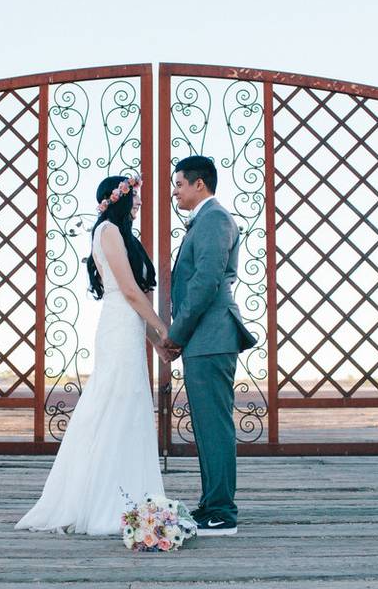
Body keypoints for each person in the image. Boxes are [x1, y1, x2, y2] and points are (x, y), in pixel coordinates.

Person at [14, 174, 167, 535]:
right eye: (136, 196)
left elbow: (140, 295)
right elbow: (129, 291)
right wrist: (162, 327)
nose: (140, 202)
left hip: (131, 330)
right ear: (118, 198)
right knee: (112, 405)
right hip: (116, 329)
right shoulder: (106, 232)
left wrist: (157, 342)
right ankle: (98, 499)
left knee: (130, 407)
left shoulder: (127, 237)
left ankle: (130, 494)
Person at [160, 155, 258, 537]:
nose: (175, 191)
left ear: (199, 184)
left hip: (212, 335)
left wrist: (176, 333)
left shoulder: (215, 219)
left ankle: (222, 513)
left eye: (179, 184)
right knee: (205, 425)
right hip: (205, 338)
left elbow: (206, 281)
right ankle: (211, 505)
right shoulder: (204, 221)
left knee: (214, 426)